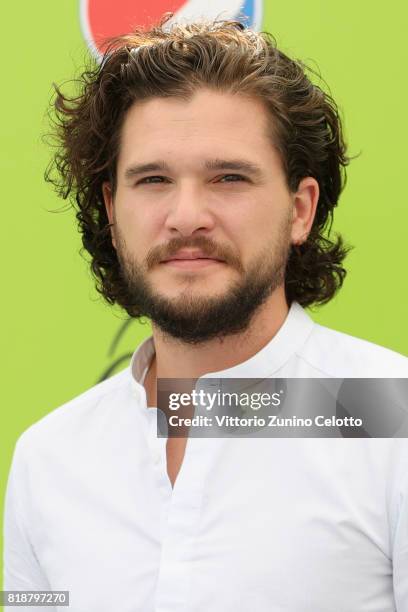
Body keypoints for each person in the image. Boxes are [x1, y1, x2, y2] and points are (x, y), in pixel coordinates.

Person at [3, 15, 408, 612]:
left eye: (228, 177)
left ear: (300, 209)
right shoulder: (49, 459)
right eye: (154, 179)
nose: (187, 215)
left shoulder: (391, 418)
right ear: (113, 212)